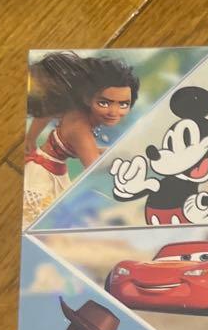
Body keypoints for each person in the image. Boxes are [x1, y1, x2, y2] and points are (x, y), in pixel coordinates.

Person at [23, 52, 139, 225]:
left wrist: (30, 138)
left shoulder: (74, 109)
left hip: (54, 169)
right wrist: (121, 162)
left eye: (123, 104)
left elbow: (47, 115)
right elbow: (94, 168)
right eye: (104, 103)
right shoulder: (80, 128)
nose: (114, 112)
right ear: (87, 98)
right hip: (44, 175)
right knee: (36, 219)